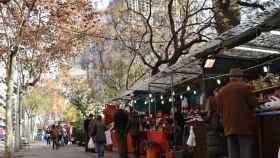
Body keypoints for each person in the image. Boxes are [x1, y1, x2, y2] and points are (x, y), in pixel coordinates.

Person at [216, 68, 258, 158]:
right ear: (240, 77)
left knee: (233, 154)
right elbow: (253, 103)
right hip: (244, 127)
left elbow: (219, 110)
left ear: (230, 78)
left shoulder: (221, 91)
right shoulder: (244, 87)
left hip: (228, 127)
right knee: (245, 153)